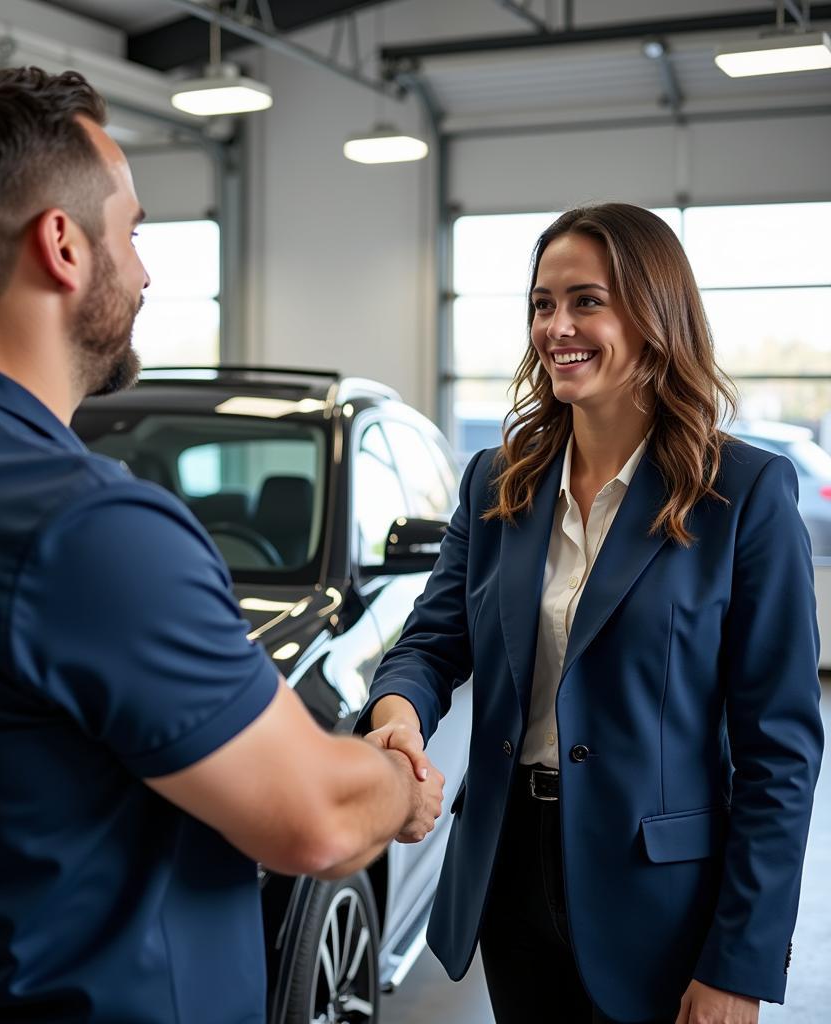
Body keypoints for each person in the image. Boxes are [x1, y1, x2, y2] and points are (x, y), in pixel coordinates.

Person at [0, 66, 444, 1024]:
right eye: (133, 231)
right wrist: (399, 783)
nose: (144, 271)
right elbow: (313, 818)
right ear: (62, 246)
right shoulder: (84, 525)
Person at [359, 203, 824, 1024]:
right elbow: (432, 642)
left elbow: (778, 751)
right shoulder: (497, 480)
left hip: (660, 900)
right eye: (542, 303)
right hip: (507, 874)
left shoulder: (743, 495)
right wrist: (399, 715)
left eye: (586, 301)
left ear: (654, 314)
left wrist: (738, 963)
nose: (556, 326)